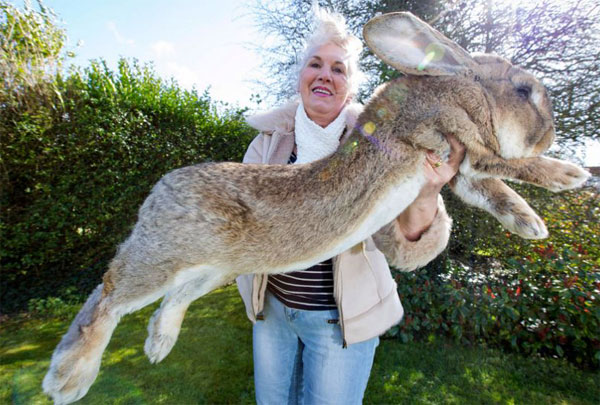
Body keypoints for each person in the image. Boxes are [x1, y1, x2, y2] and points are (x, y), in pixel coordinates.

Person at [236, 8, 465, 405]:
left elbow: (407, 244)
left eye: (338, 69)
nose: (324, 75)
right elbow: (241, 222)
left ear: (350, 88)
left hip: (340, 324)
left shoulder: (381, 147)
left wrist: (427, 192)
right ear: (301, 76)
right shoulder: (267, 144)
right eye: (315, 64)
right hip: (273, 315)